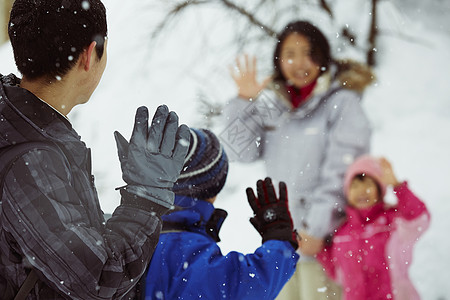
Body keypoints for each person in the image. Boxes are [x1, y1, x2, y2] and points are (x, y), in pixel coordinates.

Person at [0, 1, 190, 299]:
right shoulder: (31, 159)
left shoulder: (16, 123)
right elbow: (99, 279)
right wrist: (146, 198)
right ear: (90, 55)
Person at [222, 20, 374, 299]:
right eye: (290, 54)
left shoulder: (342, 103)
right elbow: (238, 151)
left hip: (325, 243)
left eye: (308, 53)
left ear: (322, 57)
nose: (299, 62)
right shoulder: (275, 104)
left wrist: (316, 228)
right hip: (281, 242)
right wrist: (243, 101)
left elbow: (341, 170)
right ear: (279, 60)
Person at [141, 128, 299, 300]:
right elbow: (246, 286)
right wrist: (279, 240)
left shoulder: (127, 234)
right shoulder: (184, 251)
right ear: (213, 188)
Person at [301, 155, 430, 300]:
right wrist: (318, 250)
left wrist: (397, 186)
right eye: (355, 185)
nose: (362, 191)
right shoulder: (342, 233)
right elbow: (338, 273)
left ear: (379, 189)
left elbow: (419, 218)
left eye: (368, 184)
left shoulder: (393, 223)